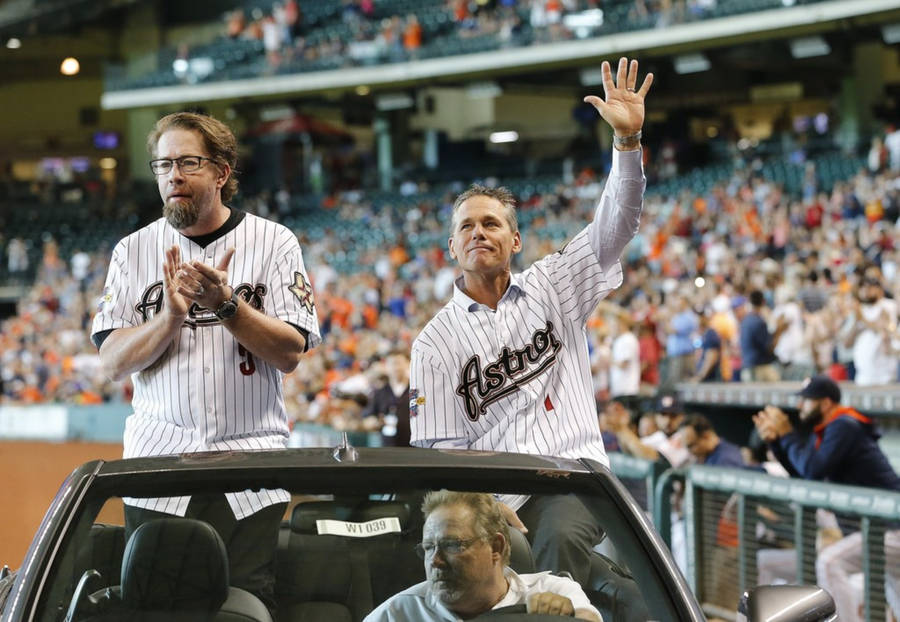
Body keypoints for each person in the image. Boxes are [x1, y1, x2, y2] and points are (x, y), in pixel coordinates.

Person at [409, 57, 653, 584]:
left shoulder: (554, 282)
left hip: (573, 476)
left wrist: (627, 146)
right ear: (452, 247)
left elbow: (616, 225)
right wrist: (489, 507)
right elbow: (441, 451)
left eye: (492, 223)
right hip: (491, 495)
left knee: (558, 539)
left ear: (514, 240)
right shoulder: (434, 342)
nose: (479, 232)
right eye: (466, 226)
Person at [91, 111, 321, 612]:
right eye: (162, 164)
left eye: (188, 162)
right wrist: (169, 317)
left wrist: (227, 306)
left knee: (243, 608)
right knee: (155, 607)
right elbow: (111, 362)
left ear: (221, 172)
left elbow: (290, 353)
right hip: (158, 466)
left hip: (251, 466)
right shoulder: (132, 252)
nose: (173, 175)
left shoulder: (275, 242)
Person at [753, 375, 900, 622]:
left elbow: (813, 469)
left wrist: (787, 434)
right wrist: (777, 442)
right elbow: (805, 475)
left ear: (825, 403)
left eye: (806, 401)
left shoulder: (844, 425)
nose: (800, 406)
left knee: (831, 563)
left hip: (890, 528)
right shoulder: (827, 431)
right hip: (879, 531)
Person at [364, 491, 602, 622]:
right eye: (428, 548)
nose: (435, 561)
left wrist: (567, 617)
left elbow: (588, 617)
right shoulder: (398, 614)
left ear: (496, 547)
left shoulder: (552, 592)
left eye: (452, 545)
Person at [363, 349, 412, 447]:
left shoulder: (417, 391)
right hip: (388, 447)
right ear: (386, 366)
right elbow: (368, 418)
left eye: (398, 363)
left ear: (407, 363)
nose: (396, 368)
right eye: (392, 364)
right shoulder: (379, 393)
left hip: (414, 447)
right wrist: (376, 422)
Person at [676, 414, 745, 468]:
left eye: (691, 446)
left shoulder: (726, 459)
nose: (690, 452)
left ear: (706, 436)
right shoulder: (709, 456)